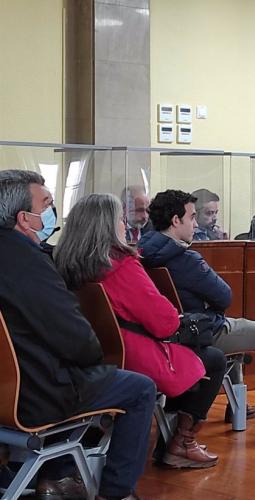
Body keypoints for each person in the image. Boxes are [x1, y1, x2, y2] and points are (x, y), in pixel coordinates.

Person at [0, 170, 156, 500]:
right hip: (33, 394)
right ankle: (116, 492)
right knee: (140, 388)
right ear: (24, 218)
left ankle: (55, 474)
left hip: (9, 386)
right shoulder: (29, 262)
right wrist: (95, 357)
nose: (52, 211)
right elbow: (76, 340)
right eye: (46, 204)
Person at [54, 193, 225, 470]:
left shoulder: (64, 263)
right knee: (213, 359)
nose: (125, 225)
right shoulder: (120, 265)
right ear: (108, 226)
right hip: (131, 354)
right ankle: (182, 442)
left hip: (93, 352)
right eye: (121, 219)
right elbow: (165, 322)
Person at [138, 190, 255, 432]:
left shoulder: (141, 252)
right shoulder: (186, 259)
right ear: (176, 221)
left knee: (234, 327)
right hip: (203, 331)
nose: (195, 224)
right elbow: (224, 296)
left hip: (170, 334)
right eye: (192, 217)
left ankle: (237, 406)